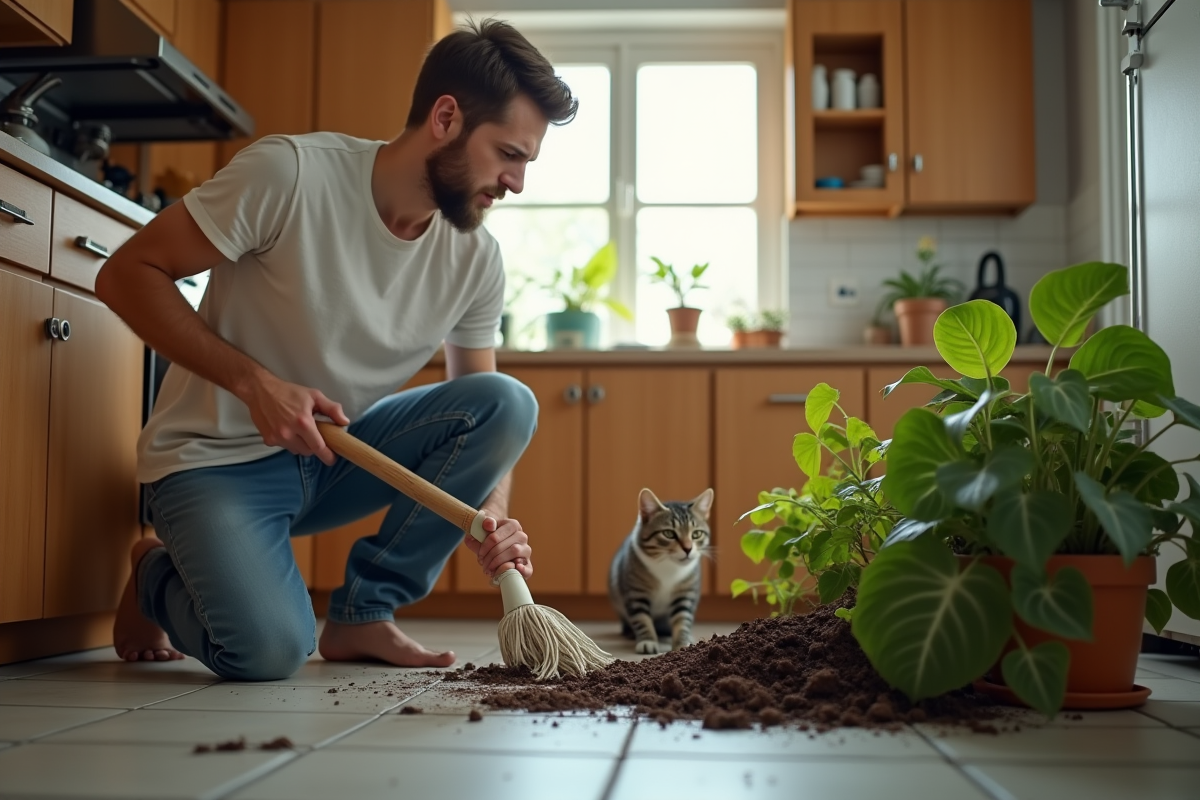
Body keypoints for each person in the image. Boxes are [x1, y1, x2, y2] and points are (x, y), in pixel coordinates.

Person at [94, 19, 577, 681]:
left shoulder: (475, 258)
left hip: (331, 454)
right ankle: (156, 568)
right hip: (214, 460)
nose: (517, 182)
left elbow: (486, 422)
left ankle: (364, 613)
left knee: (506, 403)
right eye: (509, 155)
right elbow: (125, 274)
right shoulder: (291, 174)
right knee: (266, 652)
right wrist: (255, 383)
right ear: (445, 118)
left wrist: (490, 517)